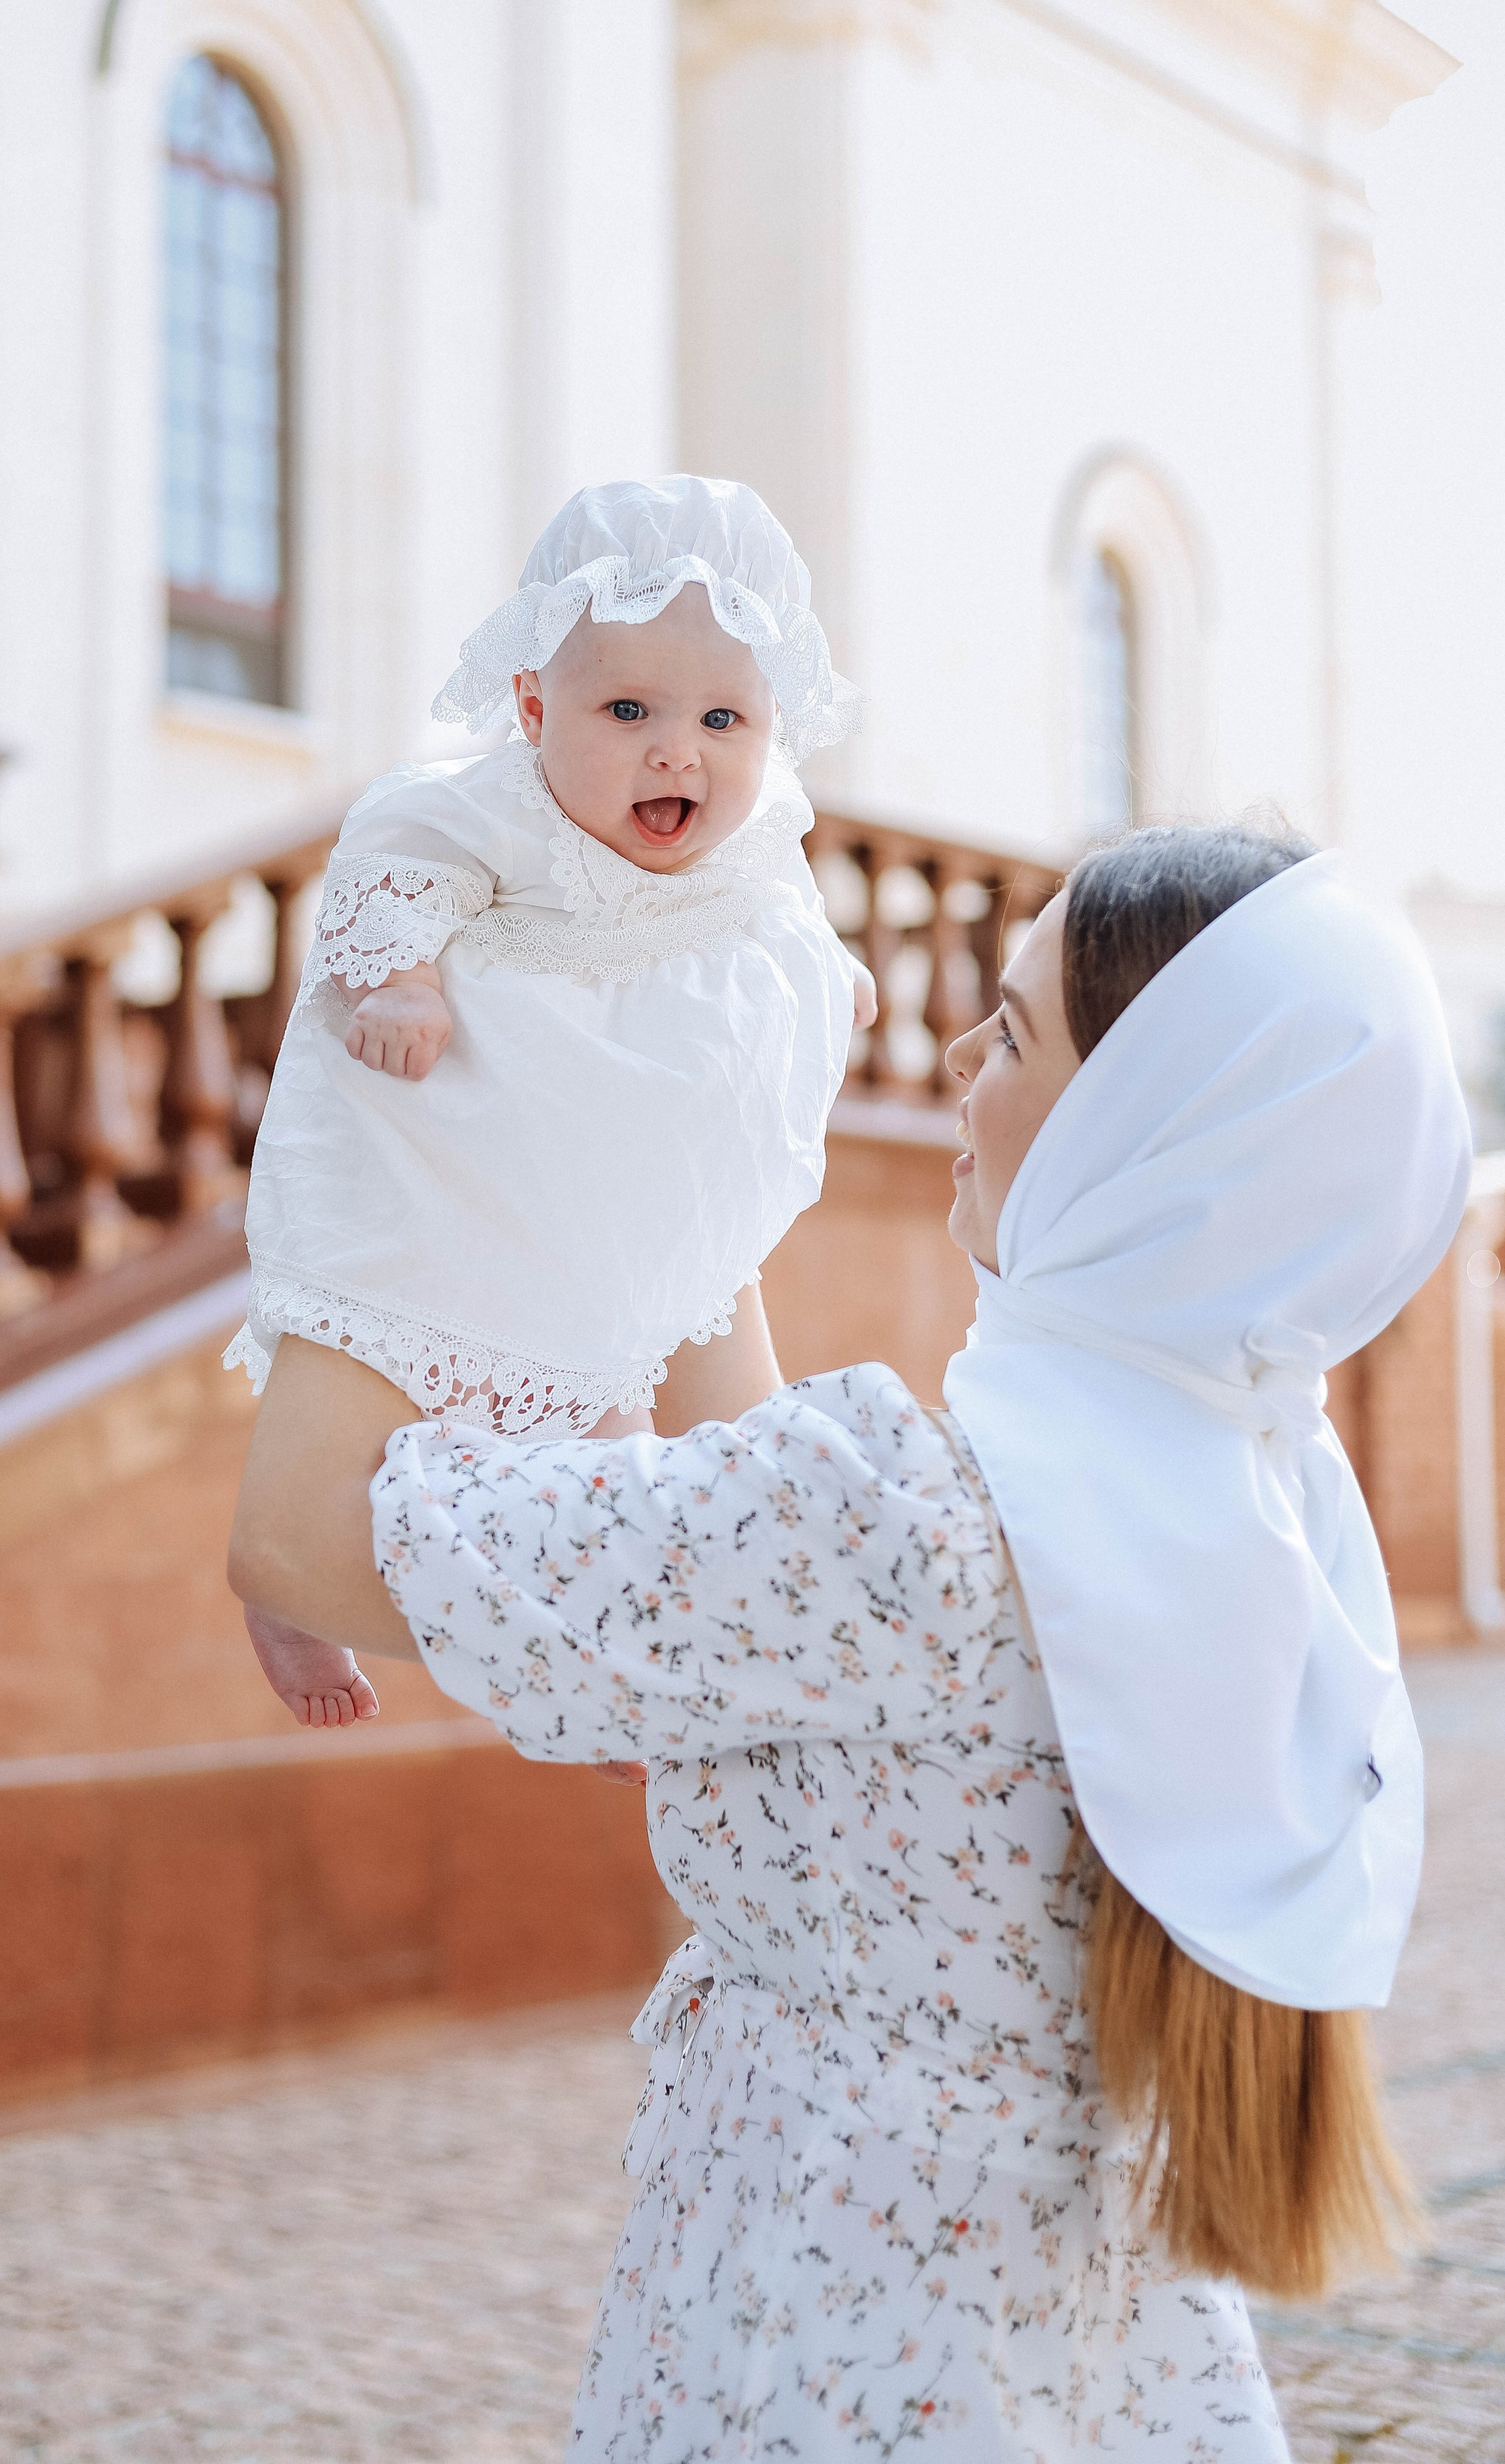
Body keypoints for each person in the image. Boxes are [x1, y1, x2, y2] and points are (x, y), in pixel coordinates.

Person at [227, 822, 1471, 2458]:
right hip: (1074, 2351)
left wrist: (378, 1116)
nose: (958, 1052)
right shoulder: (1251, 1492)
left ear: (1134, 1135)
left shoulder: (896, 1523)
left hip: (815, 2340)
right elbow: (769, 1566)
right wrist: (688, 1141)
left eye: (1015, 1032)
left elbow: (304, 1536)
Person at [229, 475, 871, 1725]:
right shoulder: (498, 807)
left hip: (639, 1192)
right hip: (489, 1155)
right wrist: (402, 980)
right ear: (533, 706)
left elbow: (779, 906)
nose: (678, 748)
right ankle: (303, 1598)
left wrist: (827, 975)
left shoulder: (757, 828)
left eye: (725, 718)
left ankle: (631, 1694)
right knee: (418, 1362)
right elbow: (397, 861)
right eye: (627, 708)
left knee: (621, 1456)